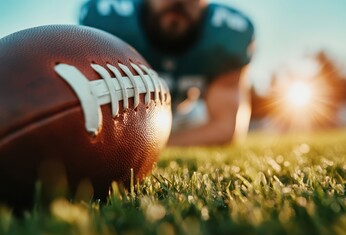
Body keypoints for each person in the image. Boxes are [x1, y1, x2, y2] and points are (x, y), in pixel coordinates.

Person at [79, 0, 255, 146]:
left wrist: (151, 144)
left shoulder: (227, 34)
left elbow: (225, 127)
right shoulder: (110, 18)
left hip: (185, 118)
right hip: (124, 121)